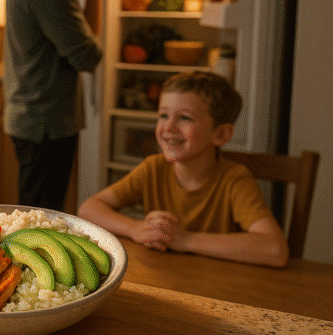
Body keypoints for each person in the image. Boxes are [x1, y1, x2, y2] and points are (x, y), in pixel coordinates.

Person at [79, 71, 289, 268]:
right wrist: (135, 229)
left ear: (221, 134)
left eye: (185, 118)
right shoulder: (153, 168)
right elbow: (88, 209)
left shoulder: (234, 180)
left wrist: (184, 240)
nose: (168, 128)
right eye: (163, 115)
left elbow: (275, 249)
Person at [3, 0, 105, 211]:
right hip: (46, 124)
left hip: (35, 118)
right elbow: (89, 55)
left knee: (37, 211)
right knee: (40, 217)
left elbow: (82, 42)